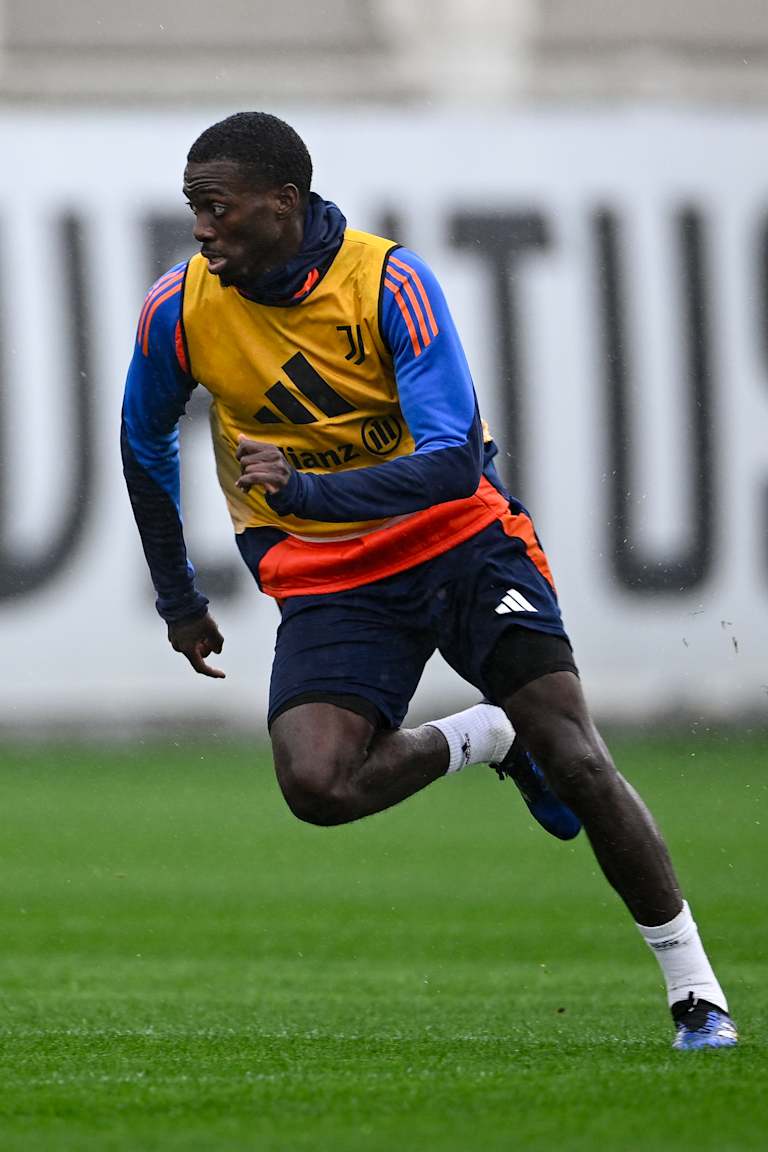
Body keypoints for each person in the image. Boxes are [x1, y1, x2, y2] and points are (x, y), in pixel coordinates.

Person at [121, 111, 737, 1051]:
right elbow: (142, 440)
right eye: (191, 208)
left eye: (216, 208)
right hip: (331, 578)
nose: (201, 230)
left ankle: (696, 992)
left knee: (575, 753)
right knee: (318, 785)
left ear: (282, 204)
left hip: (460, 544)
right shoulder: (180, 308)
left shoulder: (390, 282)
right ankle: (487, 736)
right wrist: (178, 597)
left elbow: (452, 460)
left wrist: (313, 489)